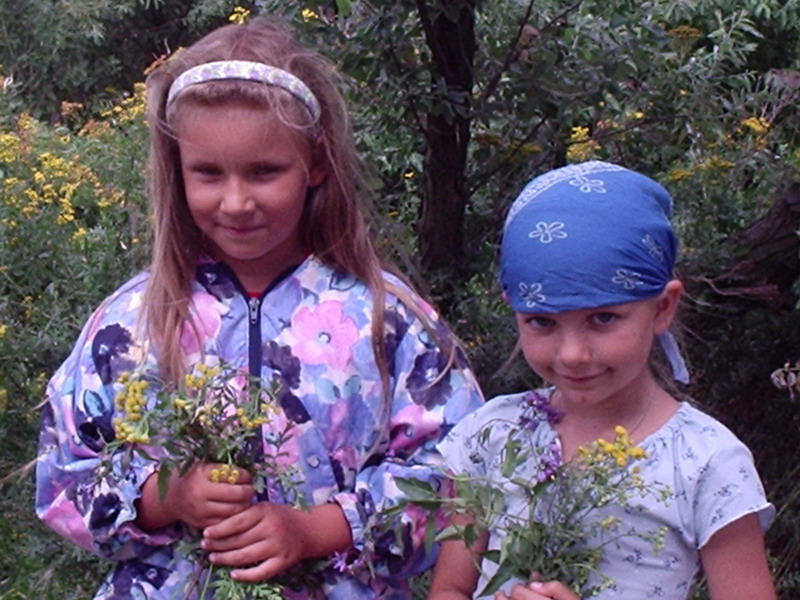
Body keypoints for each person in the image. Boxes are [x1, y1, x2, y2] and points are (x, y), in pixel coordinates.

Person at [35, 16, 484, 600]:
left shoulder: (386, 318)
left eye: (264, 172)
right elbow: (61, 479)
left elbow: (463, 474)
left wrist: (319, 529)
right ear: (177, 168)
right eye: (208, 173)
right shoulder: (130, 324)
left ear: (315, 163)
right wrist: (164, 496)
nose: (236, 201)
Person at [428, 161, 777, 600]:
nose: (572, 354)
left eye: (603, 318)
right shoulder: (493, 435)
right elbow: (450, 589)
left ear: (663, 308)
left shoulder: (705, 463)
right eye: (542, 322)